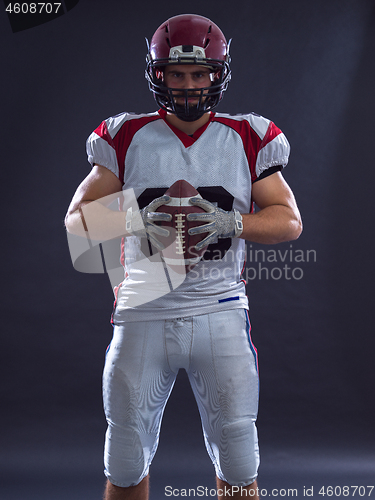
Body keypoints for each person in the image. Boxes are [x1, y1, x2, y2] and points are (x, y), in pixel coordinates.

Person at [65, 13, 302, 500]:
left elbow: (289, 221)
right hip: (143, 311)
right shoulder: (127, 135)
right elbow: (77, 221)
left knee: (238, 457)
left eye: (200, 74)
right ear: (159, 75)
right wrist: (132, 219)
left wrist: (231, 223)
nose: (189, 85)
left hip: (219, 311)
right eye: (178, 74)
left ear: (218, 74)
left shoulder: (246, 134)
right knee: (125, 459)